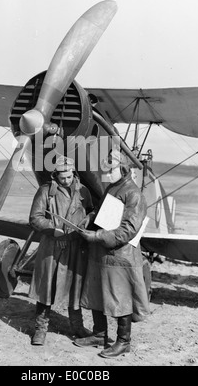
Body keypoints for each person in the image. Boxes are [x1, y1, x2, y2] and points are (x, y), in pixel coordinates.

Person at [73, 148, 150, 358]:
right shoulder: (113, 188)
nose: (106, 175)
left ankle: (123, 341)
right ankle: (99, 335)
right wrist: (90, 218)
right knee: (97, 292)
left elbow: (128, 230)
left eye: (110, 170)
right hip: (103, 253)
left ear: (123, 168)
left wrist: (96, 237)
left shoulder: (134, 194)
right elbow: (104, 211)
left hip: (120, 257)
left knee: (120, 297)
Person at [28, 155, 94, 346]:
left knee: (75, 287)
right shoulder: (45, 191)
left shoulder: (83, 191)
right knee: (46, 288)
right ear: (55, 174)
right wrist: (52, 229)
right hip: (52, 246)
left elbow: (90, 210)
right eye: (62, 177)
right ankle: (40, 329)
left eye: (69, 176)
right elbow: (34, 217)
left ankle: (77, 326)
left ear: (74, 173)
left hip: (75, 246)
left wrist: (88, 218)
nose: (66, 180)